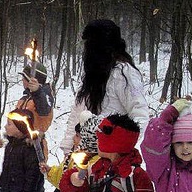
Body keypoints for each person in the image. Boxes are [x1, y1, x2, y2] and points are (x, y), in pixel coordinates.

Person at [59, 19, 149, 155]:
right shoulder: (93, 74)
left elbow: (140, 116)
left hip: (110, 156)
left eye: (91, 45)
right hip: (83, 154)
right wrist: (69, 147)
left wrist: (119, 150)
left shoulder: (124, 74)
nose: (87, 51)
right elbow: (78, 112)